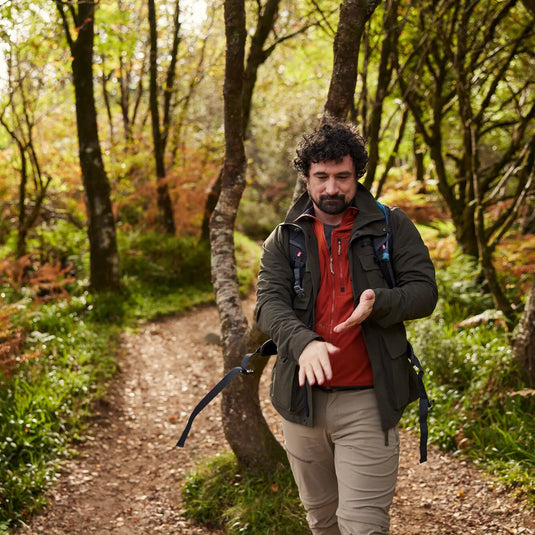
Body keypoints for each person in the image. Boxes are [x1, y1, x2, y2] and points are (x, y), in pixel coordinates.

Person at [255, 118, 438, 535]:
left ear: (357, 175)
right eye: (321, 177)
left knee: (363, 526)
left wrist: (379, 303)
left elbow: (425, 292)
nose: (331, 188)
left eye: (342, 176)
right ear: (306, 178)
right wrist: (303, 343)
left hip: (369, 402)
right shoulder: (283, 238)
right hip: (302, 405)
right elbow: (268, 305)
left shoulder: (392, 227)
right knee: (322, 523)